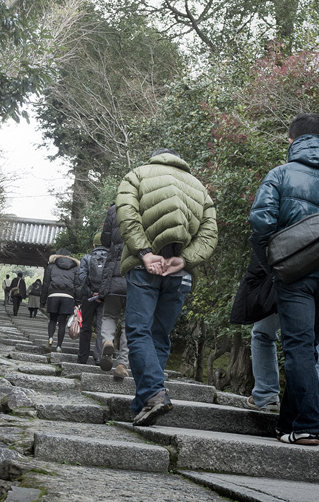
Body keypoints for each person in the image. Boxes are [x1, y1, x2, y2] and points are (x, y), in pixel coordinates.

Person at [249, 112, 319, 445]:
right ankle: (288, 424)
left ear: (291, 141)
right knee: (307, 348)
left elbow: (260, 225)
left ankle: (310, 425)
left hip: (294, 275)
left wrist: (275, 266)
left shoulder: (280, 175)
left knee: (298, 348)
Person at [116, 148, 218, 424]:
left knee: (139, 332)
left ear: (154, 158)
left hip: (144, 267)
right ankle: (144, 402)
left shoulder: (136, 175)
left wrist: (145, 252)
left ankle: (154, 394)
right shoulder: (199, 189)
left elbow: (127, 216)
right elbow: (209, 234)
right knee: (159, 336)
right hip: (178, 273)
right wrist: (183, 260)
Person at [230, 254, 319, 413]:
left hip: (290, 276)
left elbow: (264, 237)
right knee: (317, 342)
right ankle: (309, 406)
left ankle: (266, 394)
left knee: (263, 334)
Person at [99, 204, 130, 380]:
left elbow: (105, 240)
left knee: (109, 315)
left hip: (113, 273)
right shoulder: (148, 204)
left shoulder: (115, 209)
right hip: (136, 273)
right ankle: (122, 364)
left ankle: (108, 341)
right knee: (129, 321)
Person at [40, 248, 81, 352]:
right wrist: (78, 301)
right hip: (68, 296)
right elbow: (77, 286)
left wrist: (42, 301)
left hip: (53, 294)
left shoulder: (51, 266)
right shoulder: (75, 268)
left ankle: (50, 338)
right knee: (62, 322)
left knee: (53, 320)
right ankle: (59, 346)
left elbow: (45, 284)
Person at [77, 231, 107, 364]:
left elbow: (81, 278)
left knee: (86, 327)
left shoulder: (86, 258)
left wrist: (90, 293)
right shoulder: (112, 258)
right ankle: (99, 357)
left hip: (88, 297)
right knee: (102, 328)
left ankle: (83, 357)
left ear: (94, 245)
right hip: (105, 298)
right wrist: (102, 294)